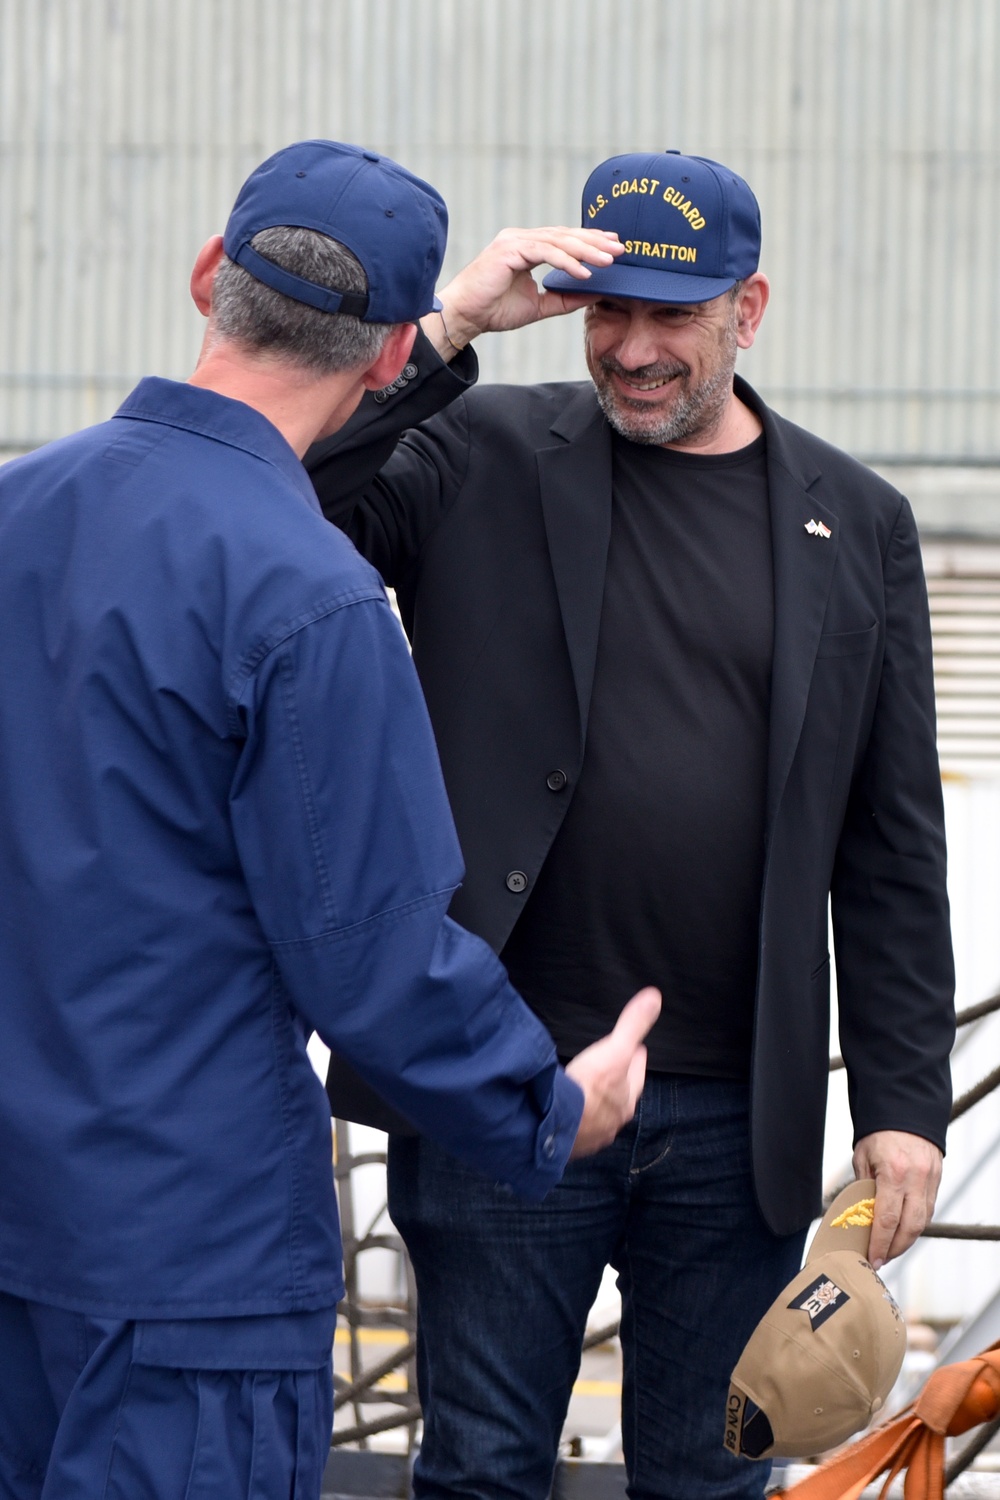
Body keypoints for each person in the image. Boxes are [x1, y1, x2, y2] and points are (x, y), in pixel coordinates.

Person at [0, 139, 659, 1500]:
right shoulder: (310, 598)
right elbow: (374, 960)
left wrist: (451, 325)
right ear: (385, 360)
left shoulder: (20, 513)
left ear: (204, 278)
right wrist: (551, 1107)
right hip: (185, 1275)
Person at [307, 150, 956, 1500]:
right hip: (503, 1080)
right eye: (615, 314)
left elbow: (891, 845)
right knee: (481, 1470)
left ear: (749, 311)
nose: (638, 350)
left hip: (735, 1118)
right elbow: (292, 496)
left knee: (706, 1482)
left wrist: (903, 1107)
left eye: (677, 316)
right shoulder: (481, 447)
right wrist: (450, 329)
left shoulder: (863, 520)